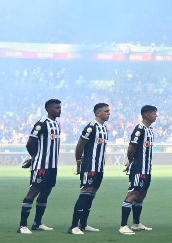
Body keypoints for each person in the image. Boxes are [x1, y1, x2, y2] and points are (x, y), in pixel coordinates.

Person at [19, 99, 62, 234]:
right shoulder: (41, 123)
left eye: (60, 107)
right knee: (33, 192)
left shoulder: (57, 124)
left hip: (53, 165)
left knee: (45, 193)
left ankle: (37, 223)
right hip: (41, 166)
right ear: (49, 109)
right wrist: (34, 157)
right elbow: (30, 143)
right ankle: (22, 225)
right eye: (56, 108)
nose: (59, 110)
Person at [69, 102, 110, 235]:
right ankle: (74, 226)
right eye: (106, 111)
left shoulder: (104, 128)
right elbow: (80, 145)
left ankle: (83, 224)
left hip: (99, 168)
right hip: (89, 167)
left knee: (91, 195)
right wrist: (78, 162)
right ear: (98, 113)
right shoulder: (91, 127)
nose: (109, 113)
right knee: (85, 193)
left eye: (109, 111)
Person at [120, 105, 157, 235]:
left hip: (147, 169)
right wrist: (130, 161)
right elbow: (131, 148)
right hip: (138, 168)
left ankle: (136, 223)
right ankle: (123, 225)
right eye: (154, 113)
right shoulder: (139, 130)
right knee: (133, 194)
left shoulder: (150, 130)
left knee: (141, 195)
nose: (156, 116)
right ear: (146, 115)